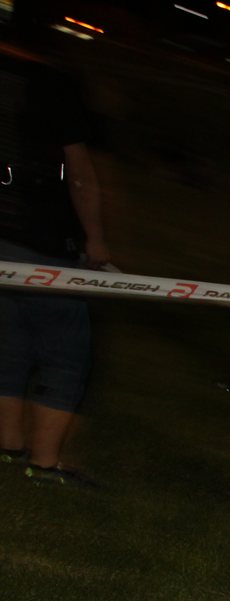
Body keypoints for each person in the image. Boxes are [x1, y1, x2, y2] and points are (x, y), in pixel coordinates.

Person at [0, 36, 110, 486]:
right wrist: (96, 240)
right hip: (45, 245)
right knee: (66, 355)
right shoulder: (57, 84)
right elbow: (80, 175)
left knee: (8, 347)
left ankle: (7, 447)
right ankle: (44, 464)